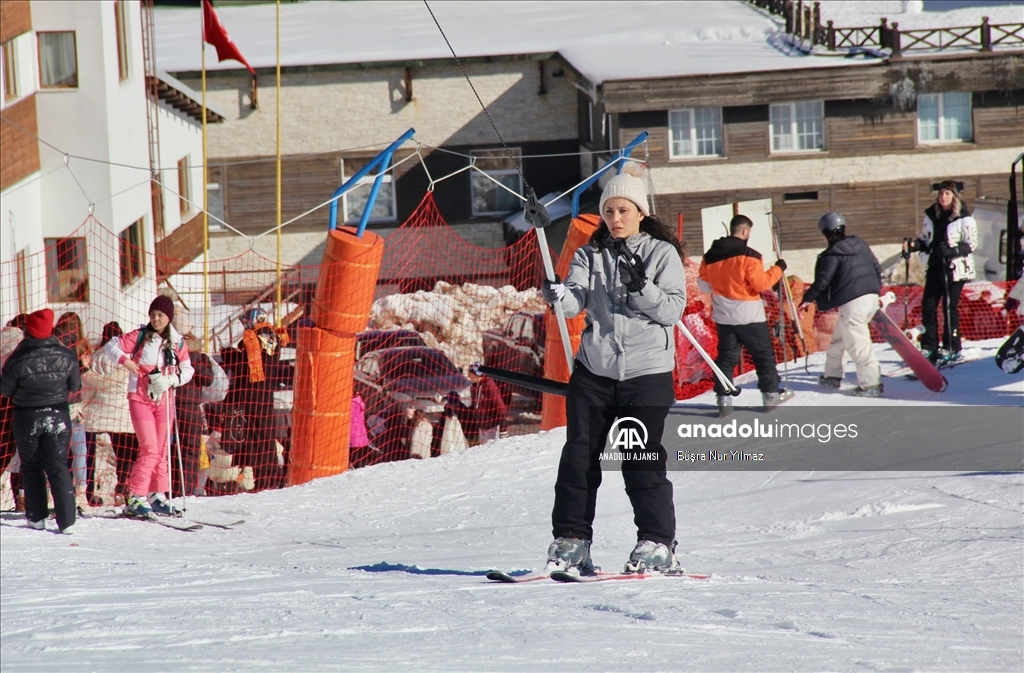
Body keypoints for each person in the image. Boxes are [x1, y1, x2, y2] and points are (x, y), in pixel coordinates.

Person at [539, 166, 687, 575]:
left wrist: (643, 287)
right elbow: (575, 300)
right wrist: (559, 294)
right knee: (578, 456)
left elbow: (672, 310)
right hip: (595, 370)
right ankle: (572, 541)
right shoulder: (591, 254)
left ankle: (657, 541)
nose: (615, 218)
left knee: (639, 456)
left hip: (646, 372)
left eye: (623, 210)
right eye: (608, 211)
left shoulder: (661, 254)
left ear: (639, 212)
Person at [104, 296, 194, 517]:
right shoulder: (141, 336)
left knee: (162, 450)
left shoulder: (177, 341)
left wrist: (172, 380)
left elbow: (188, 369)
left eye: (160, 315)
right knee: (150, 448)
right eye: (152, 314)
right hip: (141, 398)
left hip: (165, 400)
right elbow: (111, 346)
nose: (156, 319)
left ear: (169, 317)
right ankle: (136, 495)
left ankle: (157, 493)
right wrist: (126, 361)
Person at [697, 214, 793, 417]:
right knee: (763, 355)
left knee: (726, 358)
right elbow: (760, 284)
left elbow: (703, 284)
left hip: (724, 315)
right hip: (749, 315)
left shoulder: (710, 256)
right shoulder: (750, 255)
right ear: (744, 231)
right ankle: (771, 395)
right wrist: (778, 269)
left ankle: (723, 400)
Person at [0, 308, 80, 533]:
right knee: (58, 466)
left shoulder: (18, 357)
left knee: (32, 466)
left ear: (28, 331)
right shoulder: (66, 354)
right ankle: (68, 521)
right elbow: (74, 386)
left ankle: (36, 517)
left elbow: (5, 389)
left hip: (27, 416)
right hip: (58, 414)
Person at [801, 212, 884, 396]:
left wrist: (807, 299)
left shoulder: (833, 253)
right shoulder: (860, 245)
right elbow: (877, 268)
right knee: (839, 340)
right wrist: (873, 290)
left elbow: (822, 281)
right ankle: (832, 376)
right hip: (870, 299)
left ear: (825, 232)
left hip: (853, 305)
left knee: (858, 345)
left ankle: (871, 385)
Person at [904, 180, 978, 365]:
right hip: (935, 266)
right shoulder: (932, 216)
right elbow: (925, 239)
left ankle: (951, 347)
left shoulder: (963, 217)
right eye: (941, 194)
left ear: (954, 196)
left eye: (947, 193)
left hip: (955, 269)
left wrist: (952, 251)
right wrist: (913, 245)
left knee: (948, 307)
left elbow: (971, 243)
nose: (943, 197)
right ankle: (930, 347)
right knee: (928, 306)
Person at [219, 307, 288, 490]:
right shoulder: (275, 337)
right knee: (267, 438)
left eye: (245, 323)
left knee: (255, 438)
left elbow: (244, 368)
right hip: (267, 396)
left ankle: (261, 479)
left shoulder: (250, 338)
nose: (245, 327)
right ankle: (273, 477)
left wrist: (228, 354)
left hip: (251, 396)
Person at [81, 322, 139, 506]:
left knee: (91, 456)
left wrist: (85, 407)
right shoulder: (130, 359)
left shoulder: (95, 358)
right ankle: (122, 489)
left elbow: (88, 388)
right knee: (125, 456)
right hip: (123, 414)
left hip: (98, 414)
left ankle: (89, 492)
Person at [170, 311, 213, 497]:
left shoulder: (166, 346)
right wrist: (204, 359)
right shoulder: (193, 350)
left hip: (168, 405)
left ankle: (172, 488)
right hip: (189, 405)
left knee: (172, 450)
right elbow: (208, 378)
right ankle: (186, 490)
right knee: (190, 451)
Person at [54, 312, 92, 504]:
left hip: (55, 403)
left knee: (56, 452)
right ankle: (80, 494)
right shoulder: (78, 346)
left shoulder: (53, 343)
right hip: (74, 404)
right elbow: (77, 379)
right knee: (79, 450)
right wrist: (85, 367)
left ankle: (53, 495)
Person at [444, 362, 507, 444]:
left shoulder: (489, 387)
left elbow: (501, 408)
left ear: (476, 374)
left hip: (493, 428)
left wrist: (503, 430)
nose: (468, 376)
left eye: (470, 373)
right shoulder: (473, 388)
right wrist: (456, 406)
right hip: (482, 428)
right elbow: (474, 408)